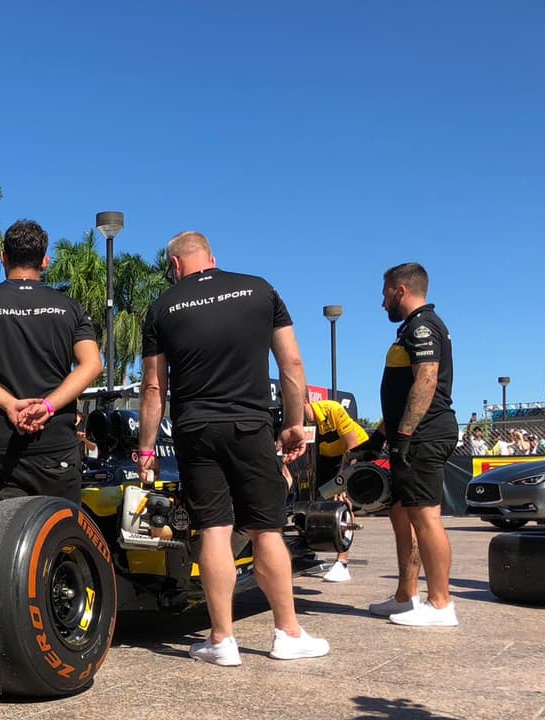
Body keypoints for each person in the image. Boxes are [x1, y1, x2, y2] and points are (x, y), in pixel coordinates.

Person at [137, 230, 328, 665]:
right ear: (212, 257)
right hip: (250, 426)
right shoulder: (259, 290)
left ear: (175, 266)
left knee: (215, 529)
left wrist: (147, 451)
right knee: (266, 529)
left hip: (195, 429)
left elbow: (153, 388)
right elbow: (292, 362)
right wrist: (294, 425)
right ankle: (288, 633)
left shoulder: (163, 307)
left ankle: (222, 640)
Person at [0, 219, 102, 503]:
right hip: (56, 444)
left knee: (5, 529)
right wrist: (48, 406)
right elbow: (92, 364)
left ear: (3, 258)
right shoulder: (70, 308)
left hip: (1, 445)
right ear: (44, 261)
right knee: (58, 527)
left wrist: (9, 404)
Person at [370, 262, 459, 627]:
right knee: (401, 512)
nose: (383, 302)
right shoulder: (412, 328)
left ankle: (441, 605)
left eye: (385, 293)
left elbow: (426, 379)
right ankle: (406, 596)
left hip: (425, 434)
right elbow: (402, 392)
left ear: (401, 290)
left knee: (426, 516)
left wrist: (405, 434)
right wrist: (379, 437)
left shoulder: (423, 326)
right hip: (410, 434)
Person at [304, 398, 368, 582]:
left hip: (355, 451)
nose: (286, 408)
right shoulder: (294, 419)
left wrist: (343, 484)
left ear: (304, 401)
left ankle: (342, 563)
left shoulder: (332, 409)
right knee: (311, 500)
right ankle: (306, 552)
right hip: (327, 454)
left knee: (342, 503)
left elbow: (352, 446)